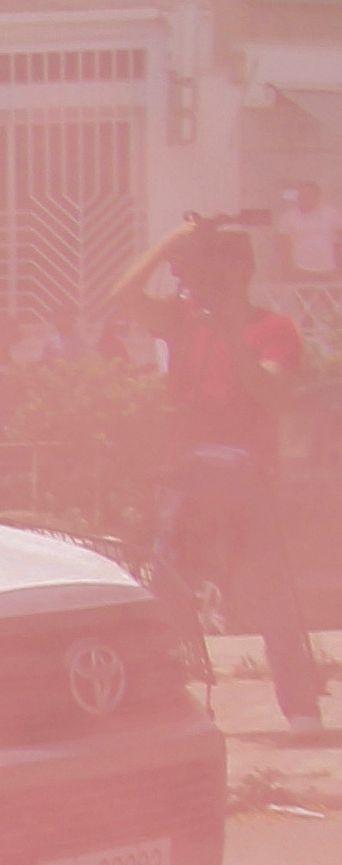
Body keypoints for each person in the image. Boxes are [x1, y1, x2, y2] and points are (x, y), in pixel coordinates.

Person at [113, 214, 324, 733]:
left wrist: (232, 331)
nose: (197, 283)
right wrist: (172, 239)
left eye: (210, 272)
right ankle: (153, 700)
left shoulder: (272, 328)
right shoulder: (185, 320)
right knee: (165, 591)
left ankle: (300, 707)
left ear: (238, 273)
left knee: (270, 596)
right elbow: (122, 296)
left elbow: (273, 395)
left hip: (248, 477)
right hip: (189, 474)